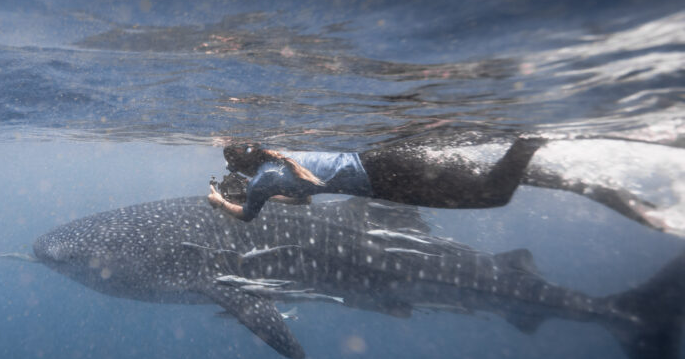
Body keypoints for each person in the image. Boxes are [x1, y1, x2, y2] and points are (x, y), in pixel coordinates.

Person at [207, 136, 546, 222]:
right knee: (477, 173)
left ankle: (529, 140)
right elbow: (305, 197)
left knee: (492, 195)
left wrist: (221, 202)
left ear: (242, 169)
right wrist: (264, 195)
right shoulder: (285, 156)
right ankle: (540, 155)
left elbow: (247, 216)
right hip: (383, 156)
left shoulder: (260, 185)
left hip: (386, 181)